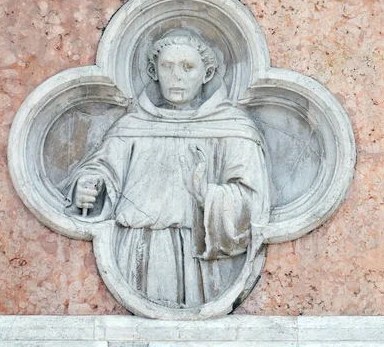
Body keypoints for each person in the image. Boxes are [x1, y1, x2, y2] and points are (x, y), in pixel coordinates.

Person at [62, 29, 270, 308]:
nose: (177, 76)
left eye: (188, 67)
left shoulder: (233, 128)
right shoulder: (132, 125)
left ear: (206, 74)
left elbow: (253, 201)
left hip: (201, 249)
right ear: (154, 71)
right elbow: (102, 168)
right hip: (136, 247)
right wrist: (87, 186)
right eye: (167, 66)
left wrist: (206, 194)